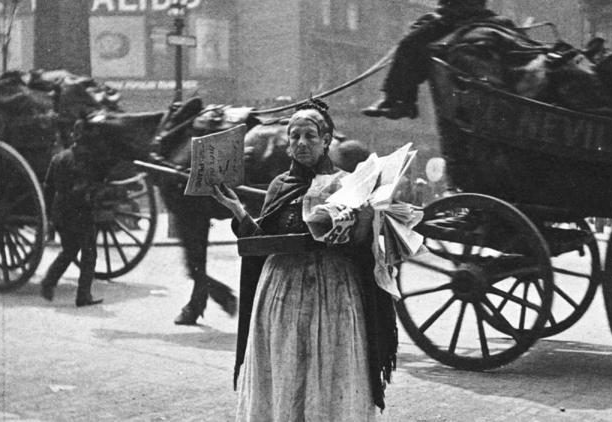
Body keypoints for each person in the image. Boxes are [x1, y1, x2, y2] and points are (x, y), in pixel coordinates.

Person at [213, 99, 397, 421]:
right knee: (286, 373)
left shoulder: (347, 184)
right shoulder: (279, 186)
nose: (301, 143)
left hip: (333, 297)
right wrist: (238, 210)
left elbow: (360, 248)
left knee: (328, 372)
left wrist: (367, 218)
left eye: (310, 136)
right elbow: (262, 242)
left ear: (326, 140)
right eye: (294, 136)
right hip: (280, 296)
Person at [362, 0, 503, 119]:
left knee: (410, 43)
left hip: (460, 13)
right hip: (462, 11)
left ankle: (400, 101)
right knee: (415, 42)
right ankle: (397, 100)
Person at [40, 143, 103, 307]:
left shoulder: (58, 158)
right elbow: (92, 185)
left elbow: (48, 186)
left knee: (69, 250)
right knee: (89, 254)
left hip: (61, 210)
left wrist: (49, 213)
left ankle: (49, 281)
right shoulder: (86, 160)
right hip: (81, 211)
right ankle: (83, 295)